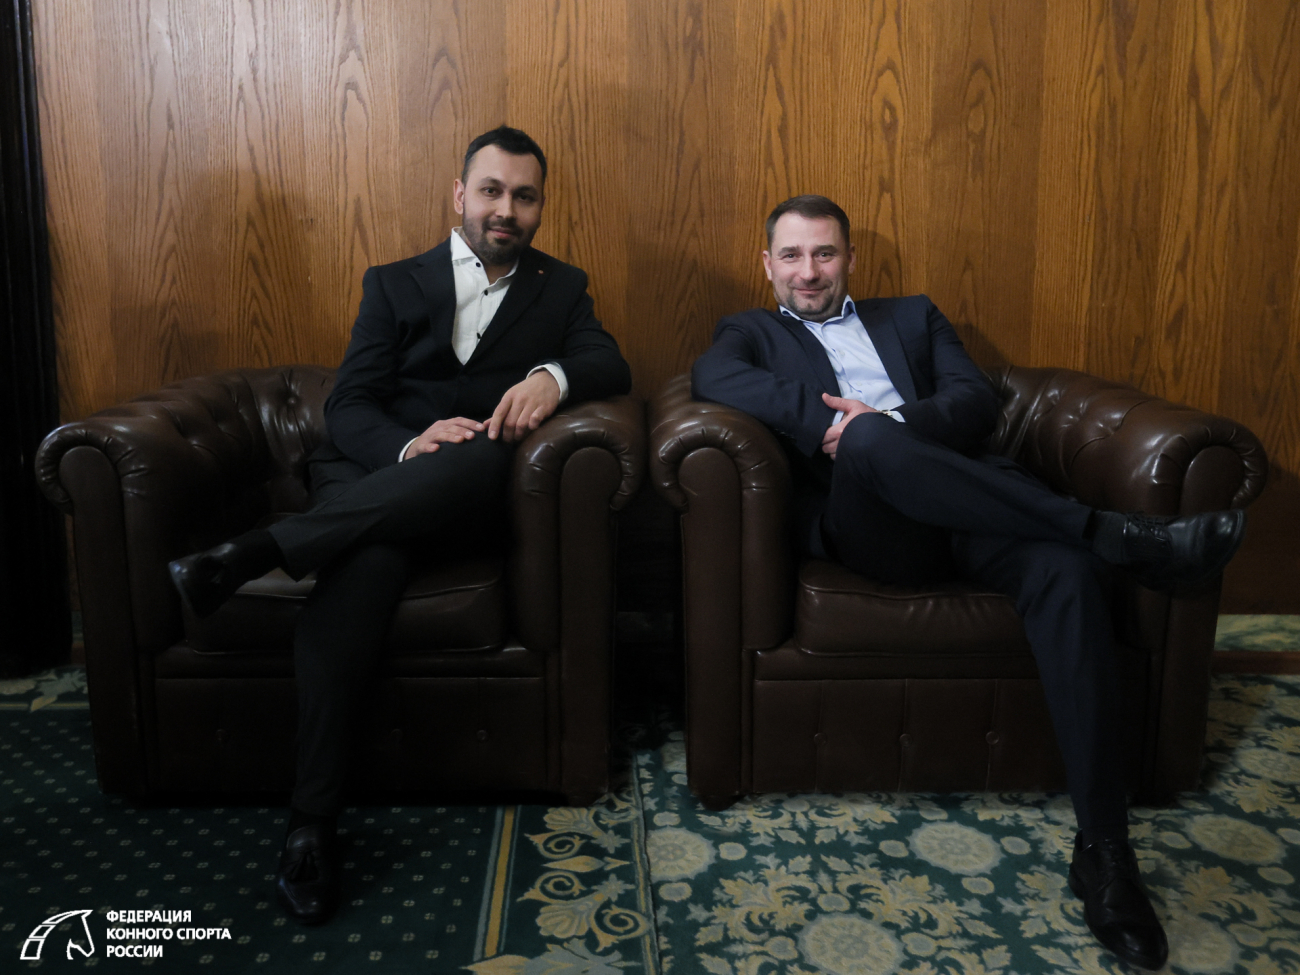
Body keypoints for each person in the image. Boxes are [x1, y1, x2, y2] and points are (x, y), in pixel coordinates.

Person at [691, 194, 1247, 971]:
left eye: (824, 253)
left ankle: (1105, 850)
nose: (808, 271)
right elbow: (712, 376)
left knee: (1065, 575)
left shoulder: (913, 315)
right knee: (870, 442)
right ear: (767, 265)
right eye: (792, 255)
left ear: (850, 259)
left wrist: (894, 425)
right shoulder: (748, 332)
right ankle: (1108, 530)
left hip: (975, 512)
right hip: (874, 524)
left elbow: (974, 400)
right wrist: (844, 426)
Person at [168, 126, 631, 925]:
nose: (506, 209)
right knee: (366, 566)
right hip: (372, 472)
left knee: (484, 452)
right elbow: (350, 403)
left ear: (540, 208)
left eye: (524, 196)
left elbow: (610, 363)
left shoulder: (560, 289)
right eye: (491, 190)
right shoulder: (392, 282)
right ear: (460, 195)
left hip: (464, 492)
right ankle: (311, 826)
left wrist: (551, 378)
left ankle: (254, 553)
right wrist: (410, 445)